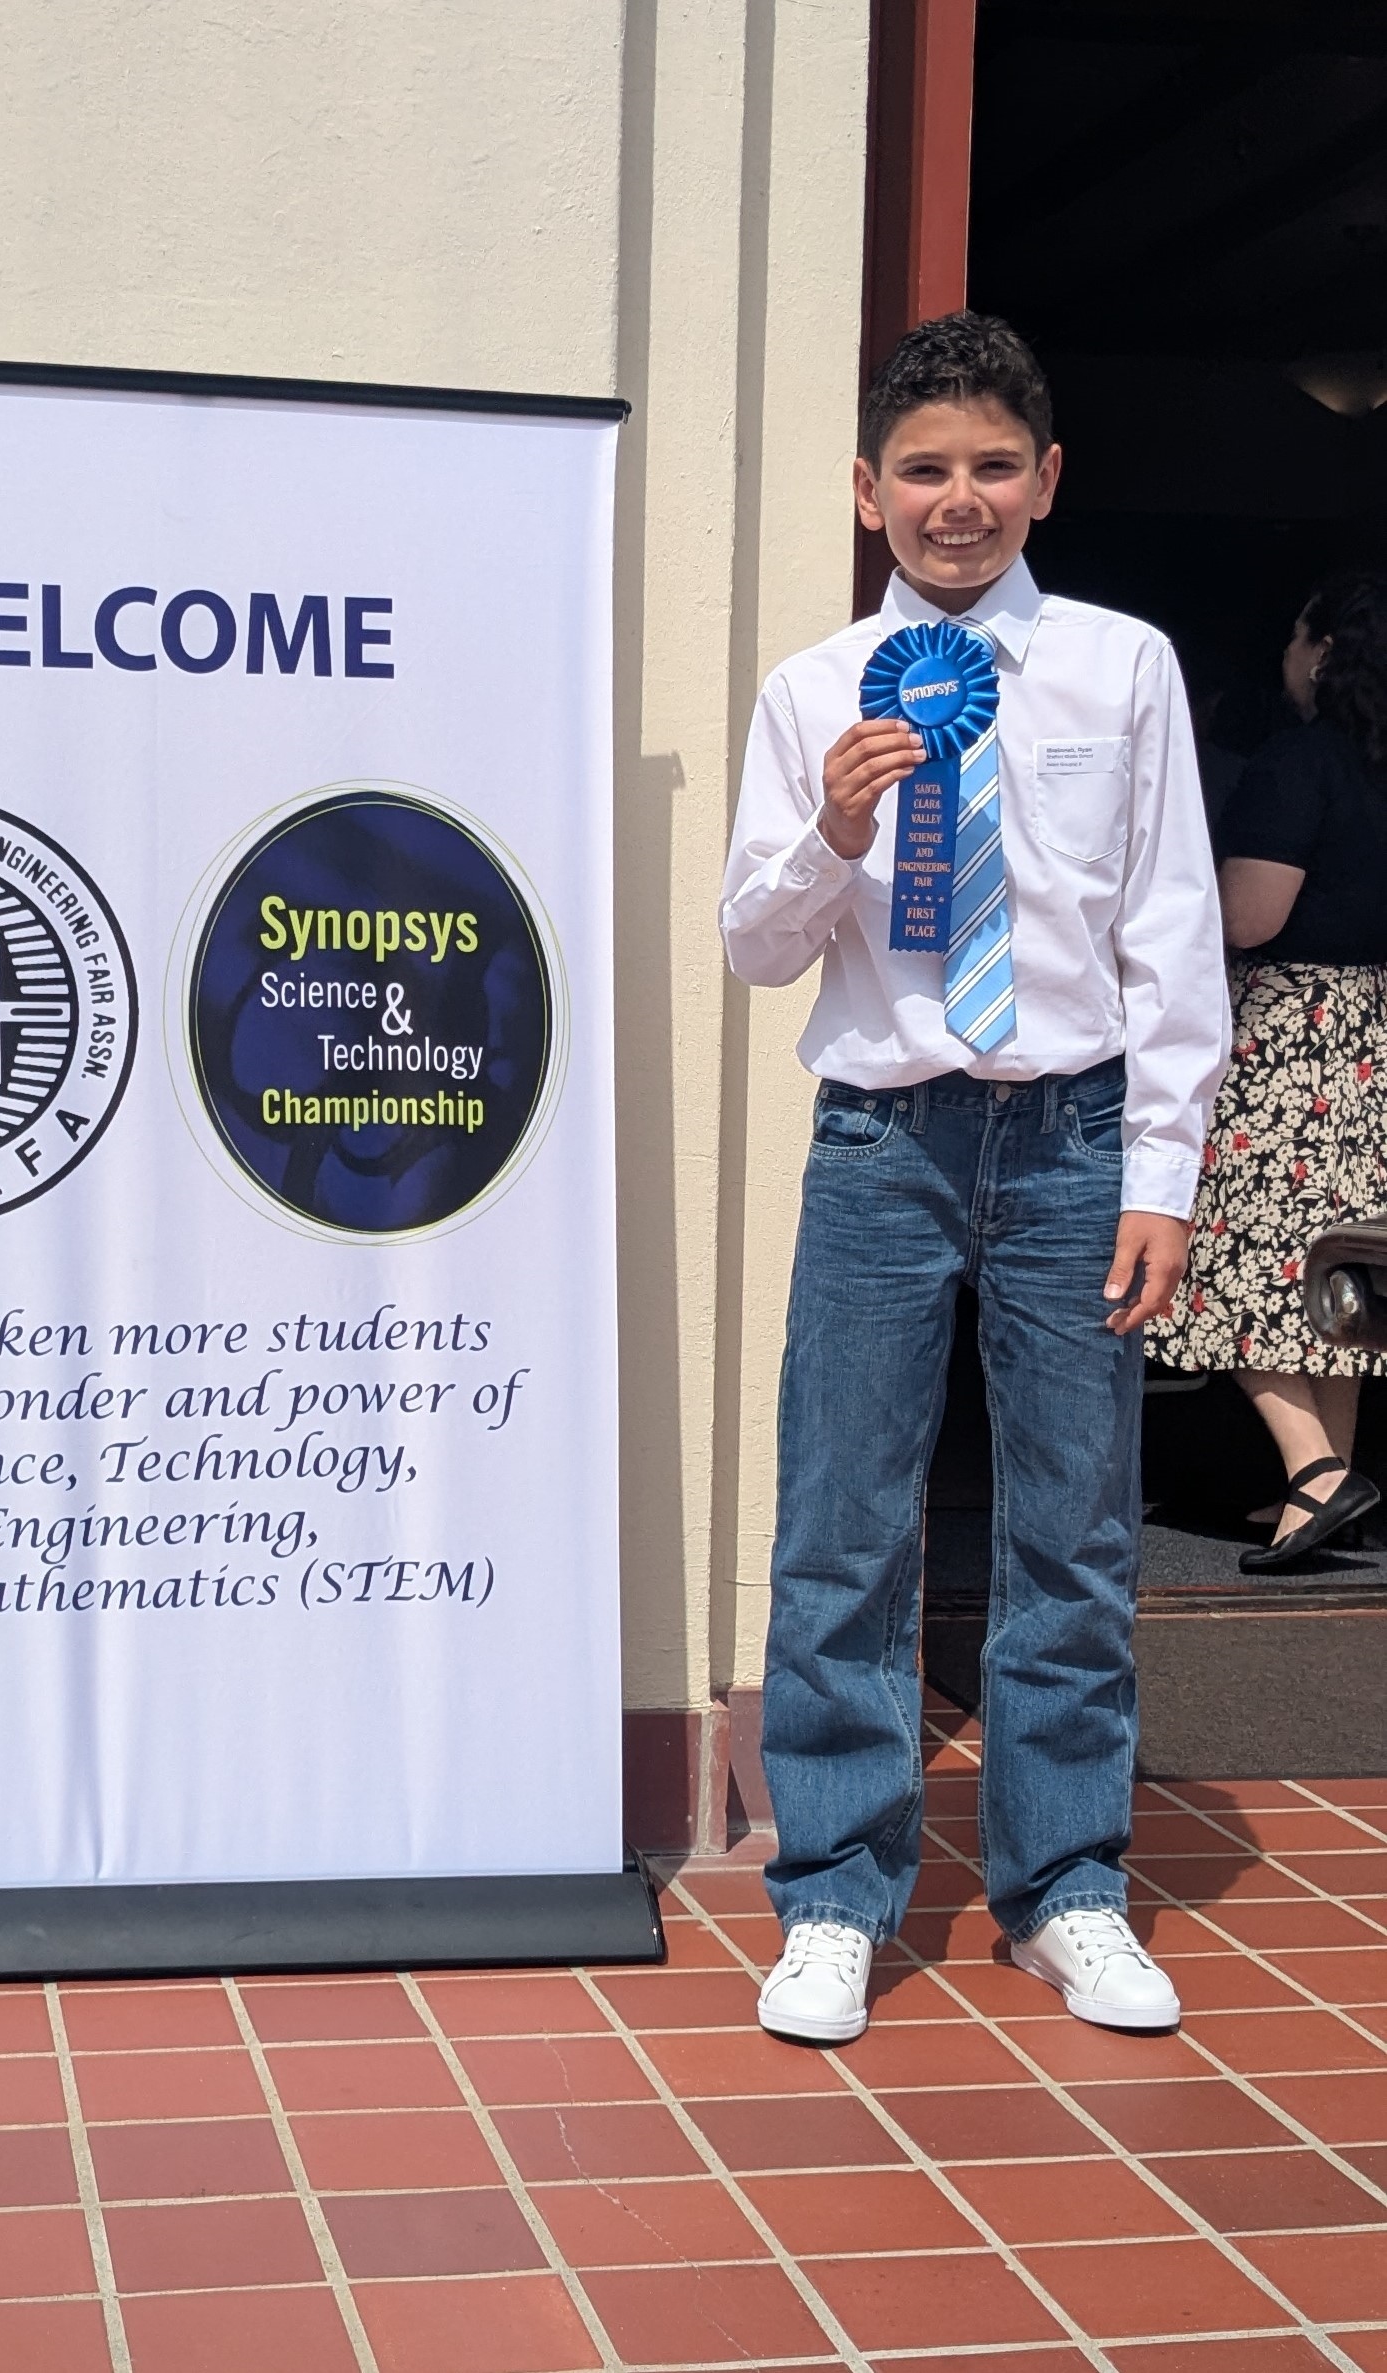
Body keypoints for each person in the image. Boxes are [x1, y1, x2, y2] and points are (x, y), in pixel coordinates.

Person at [719, 311, 1231, 2044]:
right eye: (923, 468)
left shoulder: (1121, 666)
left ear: (1046, 480)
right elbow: (752, 946)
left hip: (1073, 1137)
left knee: (1073, 1525)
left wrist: (1163, 1169)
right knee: (841, 1522)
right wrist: (832, 831)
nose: (959, 498)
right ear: (869, 492)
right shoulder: (812, 691)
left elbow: (1169, 926)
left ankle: (1067, 1884)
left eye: (992, 465)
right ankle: (835, 1894)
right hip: (883, 1143)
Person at [1148, 573, 1387, 1569]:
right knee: (1338, 1269)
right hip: (1369, 1032)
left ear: (1324, 652)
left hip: (1288, 1033)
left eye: (1296, 638)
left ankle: (1315, 1470)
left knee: (1219, 1256)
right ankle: (1327, 1487)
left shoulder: (1300, 760)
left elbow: (1251, 916)